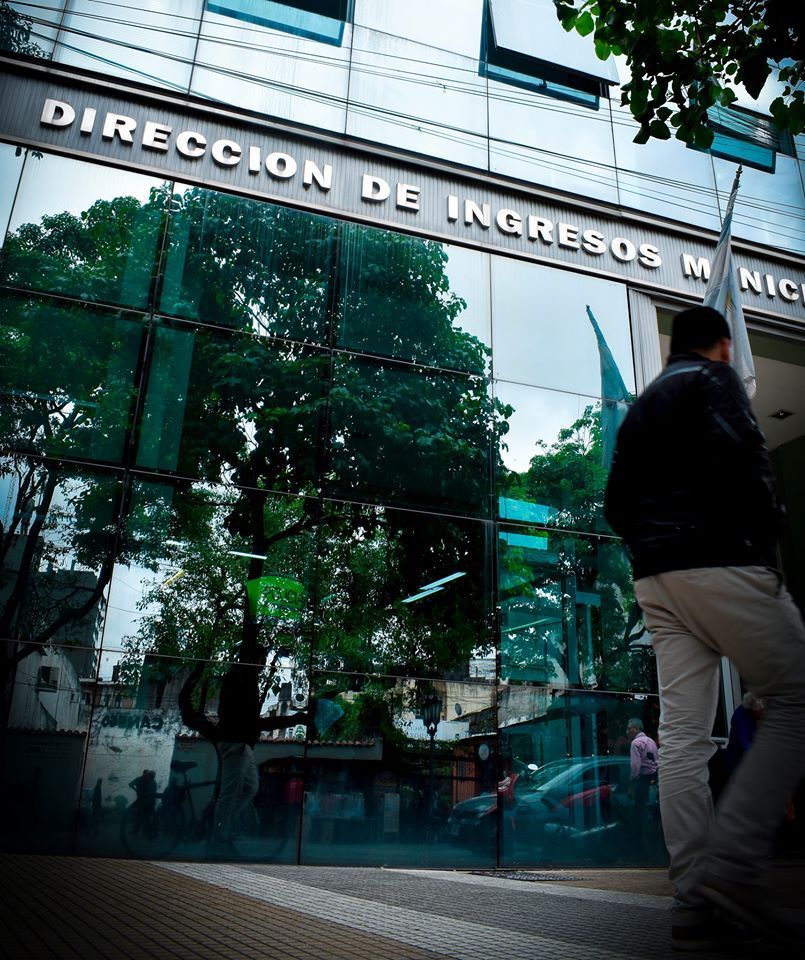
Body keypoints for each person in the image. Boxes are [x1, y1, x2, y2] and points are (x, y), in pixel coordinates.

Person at [604, 305, 805, 950]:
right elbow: (752, 463)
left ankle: (693, 902)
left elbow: (614, 504)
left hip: (658, 582)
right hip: (723, 561)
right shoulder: (715, 379)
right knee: (798, 697)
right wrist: (766, 542)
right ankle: (734, 867)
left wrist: (652, 550)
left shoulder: (641, 408)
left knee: (684, 741)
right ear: (720, 346)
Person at [627, 718, 658, 820]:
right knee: (651, 809)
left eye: (629, 728)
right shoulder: (651, 741)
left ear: (636, 728)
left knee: (639, 810)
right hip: (654, 779)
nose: (627, 732)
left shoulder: (635, 743)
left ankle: (639, 829)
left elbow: (635, 766)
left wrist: (631, 786)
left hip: (643, 780)